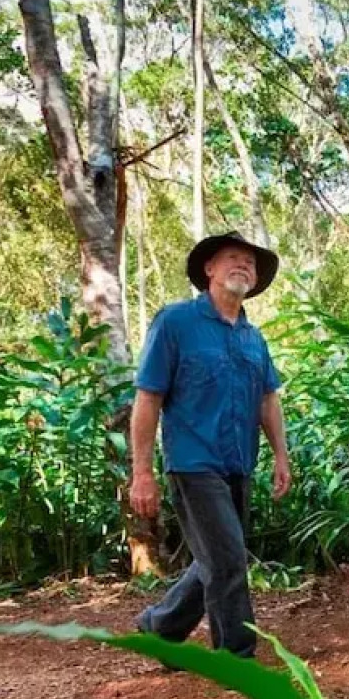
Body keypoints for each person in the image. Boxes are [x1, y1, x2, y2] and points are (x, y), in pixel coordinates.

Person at [129, 230, 291, 659]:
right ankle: (236, 657)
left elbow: (268, 399)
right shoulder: (175, 323)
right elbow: (148, 397)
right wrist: (141, 472)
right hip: (193, 461)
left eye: (250, 262)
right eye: (233, 258)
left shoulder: (253, 338)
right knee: (227, 560)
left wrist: (280, 454)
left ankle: (159, 628)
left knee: (217, 558)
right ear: (209, 268)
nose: (243, 265)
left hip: (239, 463)